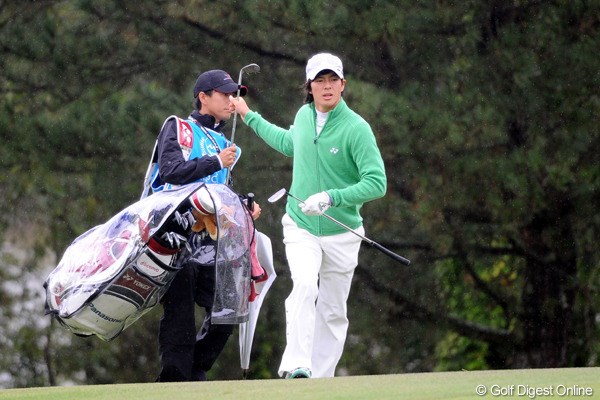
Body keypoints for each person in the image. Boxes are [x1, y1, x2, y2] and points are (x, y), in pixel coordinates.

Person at [230, 53, 387, 378]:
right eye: (320, 80)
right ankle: (298, 366)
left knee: (333, 309)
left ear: (343, 85)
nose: (327, 86)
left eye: (333, 80)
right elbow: (290, 143)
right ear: (309, 86)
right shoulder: (303, 116)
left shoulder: (357, 129)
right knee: (303, 285)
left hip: (343, 231)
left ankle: (321, 379)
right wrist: (248, 115)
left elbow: (377, 183)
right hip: (301, 225)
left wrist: (332, 197)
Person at [153, 69, 261, 382]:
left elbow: (219, 193)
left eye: (234, 95)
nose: (232, 101)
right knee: (180, 309)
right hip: (173, 235)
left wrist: (243, 208)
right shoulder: (179, 128)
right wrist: (216, 161)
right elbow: (171, 171)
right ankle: (175, 378)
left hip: (212, 243)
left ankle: (196, 367)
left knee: (230, 305)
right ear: (203, 97)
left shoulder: (225, 144)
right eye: (225, 94)